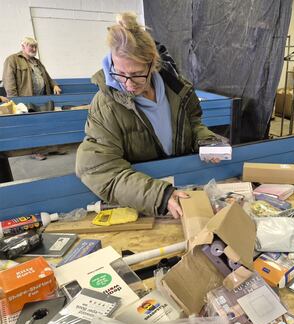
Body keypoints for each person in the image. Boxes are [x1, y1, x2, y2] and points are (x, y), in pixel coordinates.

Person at [76, 12, 221, 219]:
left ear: (152, 64)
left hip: (183, 185)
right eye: (119, 73)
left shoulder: (178, 90)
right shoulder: (105, 105)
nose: (127, 83)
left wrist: (205, 140)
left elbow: (193, 122)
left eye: (136, 74)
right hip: (144, 202)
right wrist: (158, 196)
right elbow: (98, 169)